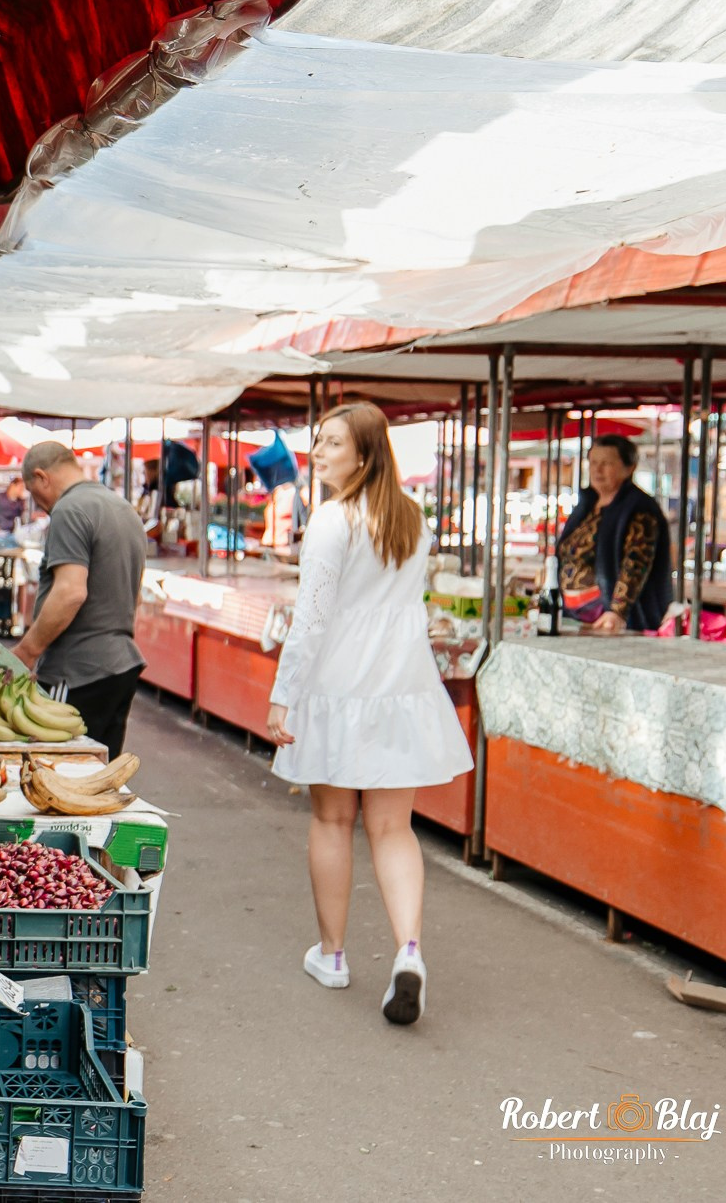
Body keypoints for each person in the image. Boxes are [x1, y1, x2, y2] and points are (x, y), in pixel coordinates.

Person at [264, 401, 471, 1027]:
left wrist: (283, 692)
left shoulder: (331, 520)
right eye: (318, 442)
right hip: (400, 686)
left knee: (332, 820)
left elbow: (312, 619)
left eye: (331, 444)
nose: (319, 453)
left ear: (364, 454)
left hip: (336, 687)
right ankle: (409, 951)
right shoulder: (411, 520)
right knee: (393, 828)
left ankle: (333, 956)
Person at [9, 442, 148, 751]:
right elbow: (134, 596)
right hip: (119, 666)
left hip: (76, 670)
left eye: (34, 493)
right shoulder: (123, 508)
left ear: (42, 477)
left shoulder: (69, 510)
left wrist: (28, 651)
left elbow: (70, 592)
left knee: (61, 772)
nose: (40, 504)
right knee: (97, 778)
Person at [557, 433, 670, 633]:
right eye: (593, 462)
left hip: (608, 618)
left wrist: (617, 611)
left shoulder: (639, 508)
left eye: (606, 463)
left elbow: (636, 563)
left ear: (629, 468)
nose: (597, 470)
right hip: (572, 613)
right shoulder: (587, 503)